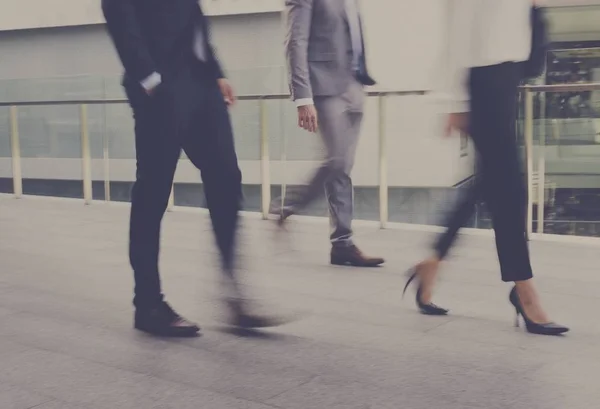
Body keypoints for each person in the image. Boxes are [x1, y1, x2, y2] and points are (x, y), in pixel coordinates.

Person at [102, 0, 283, 336]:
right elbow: (117, 11)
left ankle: (235, 297)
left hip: (201, 86)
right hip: (160, 88)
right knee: (153, 192)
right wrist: (151, 79)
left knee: (226, 177)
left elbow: (193, 21)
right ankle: (148, 304)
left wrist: (215, 71)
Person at [403, 0, 568, 336]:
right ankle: (524, 289)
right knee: (508, 187)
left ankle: (432, 262)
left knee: (491, 180)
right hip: (482, 78)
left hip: (508, 74)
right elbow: (459, 28)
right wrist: (456, 102)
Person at [277, 0, 385, 268]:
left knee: (343, 167)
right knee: (335, 160)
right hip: (324, 86)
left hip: (354, 84)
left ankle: (342, 244)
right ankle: (285, 207)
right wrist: (303, 98)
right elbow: (295, 41)